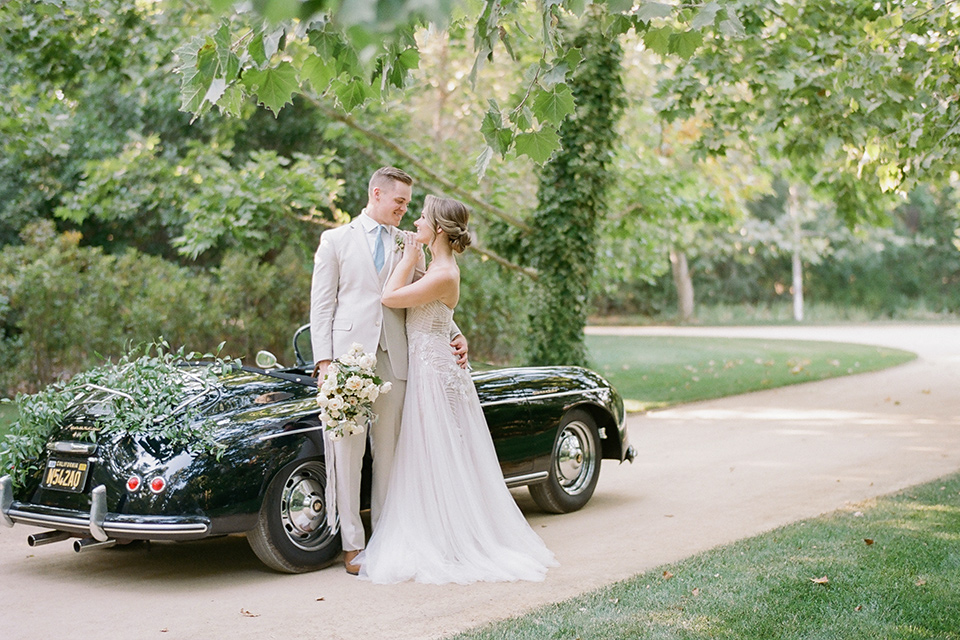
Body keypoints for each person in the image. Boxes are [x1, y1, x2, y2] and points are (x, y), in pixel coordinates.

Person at [355, 195, 557, 584]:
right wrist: (457, 331)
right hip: (432, 364)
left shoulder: (443, 271)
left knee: (438, 452)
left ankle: (451, 538)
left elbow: (390, 297)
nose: (415, 222)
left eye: (422, 218)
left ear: (439, 229)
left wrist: (407, 260)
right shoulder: (438, 267)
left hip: (435, 373)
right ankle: (440, 530)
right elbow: (439, 313)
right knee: (431, 454)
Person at [310, 168, 468, 575]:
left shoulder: (409, 242)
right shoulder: (336, 240)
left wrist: (456, 332)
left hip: (396, 360)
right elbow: (323, 306)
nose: (405, 209)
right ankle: (352, 546)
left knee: (390, 454)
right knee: (347, 453)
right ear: (376, 193)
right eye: (399, 201)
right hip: (348, 361)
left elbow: (431, 293)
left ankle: (386, 539)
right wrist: (325, 363)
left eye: (408, 204)